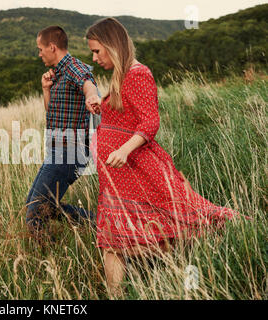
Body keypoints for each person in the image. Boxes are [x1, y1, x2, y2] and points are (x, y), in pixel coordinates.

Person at [84, 18, 240, 296]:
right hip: (117, 177)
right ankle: (115, 294)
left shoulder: (138, 73)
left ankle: (203, 241)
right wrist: (102, 105)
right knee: (112, 241)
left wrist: (123, 150)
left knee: (166, 228)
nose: (94, 58)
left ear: (112, 45)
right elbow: (127, 114)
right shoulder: (121, 76)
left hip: (136, 169)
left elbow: (150, 121)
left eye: (97, 51)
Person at [25, 26, 98, 243]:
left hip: (71, 152)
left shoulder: (73, 67)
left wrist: (92, 97)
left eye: (40, 49)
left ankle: (46, 261)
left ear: (52, 47)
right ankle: (100, 222)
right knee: (42, 205)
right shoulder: (56, 73)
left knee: (34, 212)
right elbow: (51, 111)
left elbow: (88, 83)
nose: (39, 54)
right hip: (58, 150)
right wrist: (46, 89)